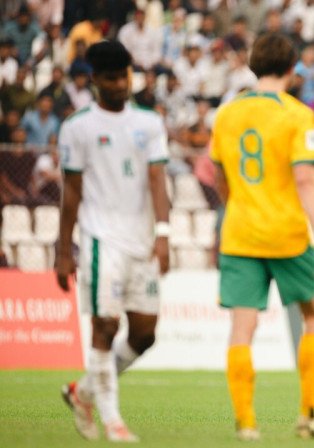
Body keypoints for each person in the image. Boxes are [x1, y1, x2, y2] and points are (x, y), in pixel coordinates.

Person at [210, 33, 314, 442]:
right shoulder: (297, 114)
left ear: (253, 66)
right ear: (292, 69)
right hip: (286, 235)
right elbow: (305, 179)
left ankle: (247, 423)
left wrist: (239, 206)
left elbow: (220, 178)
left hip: (239, 234)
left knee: (241, 328)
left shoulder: (227, 114)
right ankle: (309, 415)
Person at [56, 41, 170, 443]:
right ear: (94, 80)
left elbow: (158, 181)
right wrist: (61, 249)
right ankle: (112, 422)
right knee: (104, 325)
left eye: (124, 76)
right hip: (101, 237)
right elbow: (70, 192)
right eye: (111, 77)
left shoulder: (149, 123)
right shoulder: (77, 126)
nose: (120, 84)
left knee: (145, 335)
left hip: (142, 240)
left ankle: (82, 392)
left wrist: (163, 233)